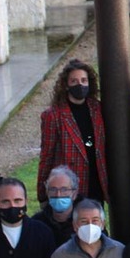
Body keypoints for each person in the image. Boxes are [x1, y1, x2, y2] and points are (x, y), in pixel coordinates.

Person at [38, 59, 108, 204]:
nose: (80, 84)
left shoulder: (98, 109)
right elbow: (47, 154)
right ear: (66, 85)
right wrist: (42, 190)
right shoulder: (53, 115)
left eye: (83, 80)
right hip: (69, 185)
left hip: (96, 181)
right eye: (74, 81)